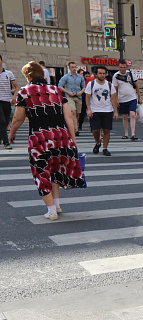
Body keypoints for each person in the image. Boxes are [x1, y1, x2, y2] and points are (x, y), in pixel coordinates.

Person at [8, 61, 85, 220]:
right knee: (55, 171)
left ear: (28, 76)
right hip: (61, 137)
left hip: (40, 140)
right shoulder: (56, 90)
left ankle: (51, 211)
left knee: (41, 173)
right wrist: (73, 139)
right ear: (42, 75)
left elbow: (18, 118)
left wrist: (12, 133)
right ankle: (56, 205)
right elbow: (68, 116)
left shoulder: (25, 92)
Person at [85, 65, 118, 156]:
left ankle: (105, 148)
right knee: (95, 130)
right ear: (96, 74)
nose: (102, 75)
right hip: (95, 110)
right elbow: (87, 97)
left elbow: (113, 99)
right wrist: (89, 109)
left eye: (104, 73)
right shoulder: (91, 84)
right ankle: (98, 142)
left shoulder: (109, 85)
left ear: (106, 74)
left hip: (107, 110)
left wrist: (115, 111)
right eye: (100, 73)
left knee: (106, 130)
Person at [112, 60, 142, 141]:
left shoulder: (131, 74)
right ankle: (126, 133)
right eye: (121, 67)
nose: (123, 69)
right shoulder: (116, 76)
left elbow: (137, 86)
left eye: (124, 67)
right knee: (125, 116)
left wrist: (139, 98)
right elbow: (114, 89)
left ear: (126, 67)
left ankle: (133, 134)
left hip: (132, 97)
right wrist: (116, 100)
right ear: (119, 67)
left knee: (132, 114)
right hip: (122, 99)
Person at [58, 62, 86, 136]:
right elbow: (60, 86)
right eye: (72, 67)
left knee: (77, 113)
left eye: (75, 67)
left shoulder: (80, 77)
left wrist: (81, 92)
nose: (74, 69)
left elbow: (84, 87)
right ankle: (75, 128)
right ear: (69, 68)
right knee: (73, 111)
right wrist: (68, 92)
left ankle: (74, 126)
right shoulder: (66, 77)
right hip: (70, 96)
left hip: (78, 96)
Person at [0, 54, 19, 149]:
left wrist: (14, 97)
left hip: (7, 100)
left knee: (6, 121)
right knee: (3, 121)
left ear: (1, 61)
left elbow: (16, 87)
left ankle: (1, 138)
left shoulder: (9, 73)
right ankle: (6, 142)